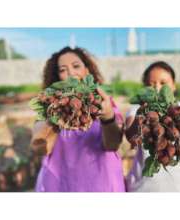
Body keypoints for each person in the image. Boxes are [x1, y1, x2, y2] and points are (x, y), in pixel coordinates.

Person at [32, 47, 125, 192]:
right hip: (62, 183)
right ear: (57, 77)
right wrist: (55, 114)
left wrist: (107, 117)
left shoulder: (104, 101)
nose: (71, 73)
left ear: (87, 71)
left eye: (76, 66)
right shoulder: (51, 106)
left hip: (101, 183)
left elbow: (113, 145)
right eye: (63, 70)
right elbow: (40, 147)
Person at [125, 61, 180, 192]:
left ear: (174, 86)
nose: (157, 88)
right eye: (151, 84)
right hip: (143, 189)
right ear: (145, 88)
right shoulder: (137, 110)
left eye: (163, 83)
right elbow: (131, 136)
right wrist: (141, 116)